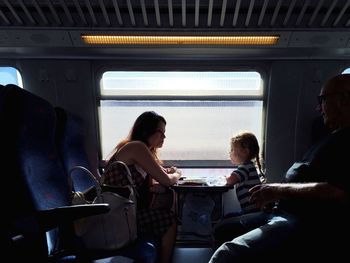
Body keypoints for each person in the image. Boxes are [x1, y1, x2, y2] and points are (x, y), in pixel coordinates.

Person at [209, 74, 350, 262]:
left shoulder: (347, 141)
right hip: (280, 210)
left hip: (303, 219)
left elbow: (337, 190)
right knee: (223, 229)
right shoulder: (330, 138)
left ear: (344, 100)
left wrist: (278, 189)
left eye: (323, 99)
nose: (318, 107)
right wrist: (275, 194)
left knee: (226, 254)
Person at [103, 111, 181, 263]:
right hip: (116, 216)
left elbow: (154, 184)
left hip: (124, 212)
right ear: (147, 131)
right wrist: (177, 174)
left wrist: (162, 183)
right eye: (161, 133)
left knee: (167, 209)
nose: (164, 137)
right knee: (170, 220)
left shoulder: (141, 151)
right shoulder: (136, 147)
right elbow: (166, 180)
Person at [213, 132, 266, 245]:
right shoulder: (248, 167)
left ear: (245, 152)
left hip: (253, 212)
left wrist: (221, 179)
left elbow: (230, 180)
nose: (230, 152)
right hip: (249, 211)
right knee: (227, 217)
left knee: (222, 224)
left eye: (232, 149)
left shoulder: (245, 168)